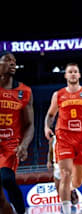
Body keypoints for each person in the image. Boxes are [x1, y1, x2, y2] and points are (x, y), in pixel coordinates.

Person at [44, 62, 82, 214]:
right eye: (70, 72)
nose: (73, 74)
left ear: (79, 75)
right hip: (64, 137)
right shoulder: (58, 94)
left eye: (75, 71)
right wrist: (47, 127)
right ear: (66, 75)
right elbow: (50, 114)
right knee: (65, 174)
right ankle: (66, 210)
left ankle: (73, 189)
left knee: (77, 181)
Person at [0, 52, 34, 214]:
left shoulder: (24, 91)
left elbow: (29, 124)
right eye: (7, 60)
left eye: (14, 61)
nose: (12, 64)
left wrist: (24, 145)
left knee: (6, 179)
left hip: (10, 146)